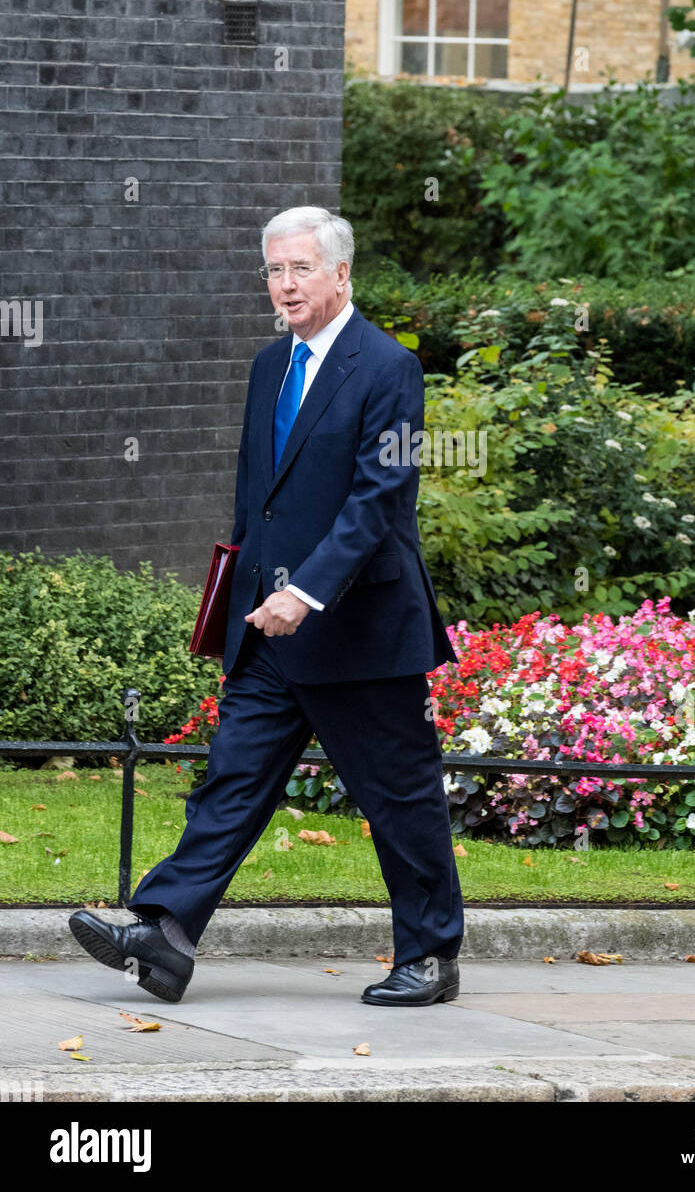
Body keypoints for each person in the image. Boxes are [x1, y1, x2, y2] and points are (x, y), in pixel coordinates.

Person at [68, 206, 464, 1006]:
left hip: (361, 631)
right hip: (268, 629)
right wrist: (243, 590)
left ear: (341, 273)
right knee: (232, 780)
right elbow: (260, 501)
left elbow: (381, 499)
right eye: (274, 271)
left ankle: (430, 956)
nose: (285, 285)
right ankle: (167, 932)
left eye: (301, 270)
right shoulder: (266, 366)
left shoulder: (390, 369)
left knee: (399, 796)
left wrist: (306, 591)